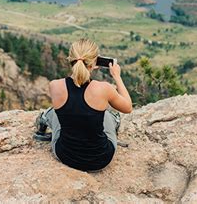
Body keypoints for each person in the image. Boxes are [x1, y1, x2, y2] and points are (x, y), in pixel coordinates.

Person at [34, 38, 133, 172]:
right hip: (101, 160)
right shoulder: (103, 89)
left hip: (65, 156)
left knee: (56, 114)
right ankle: (114, 120)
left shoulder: (55, 86)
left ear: (70, 59)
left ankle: (44, 119)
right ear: (94, 63)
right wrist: (117, 76)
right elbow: (128, 107)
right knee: (106, 116)